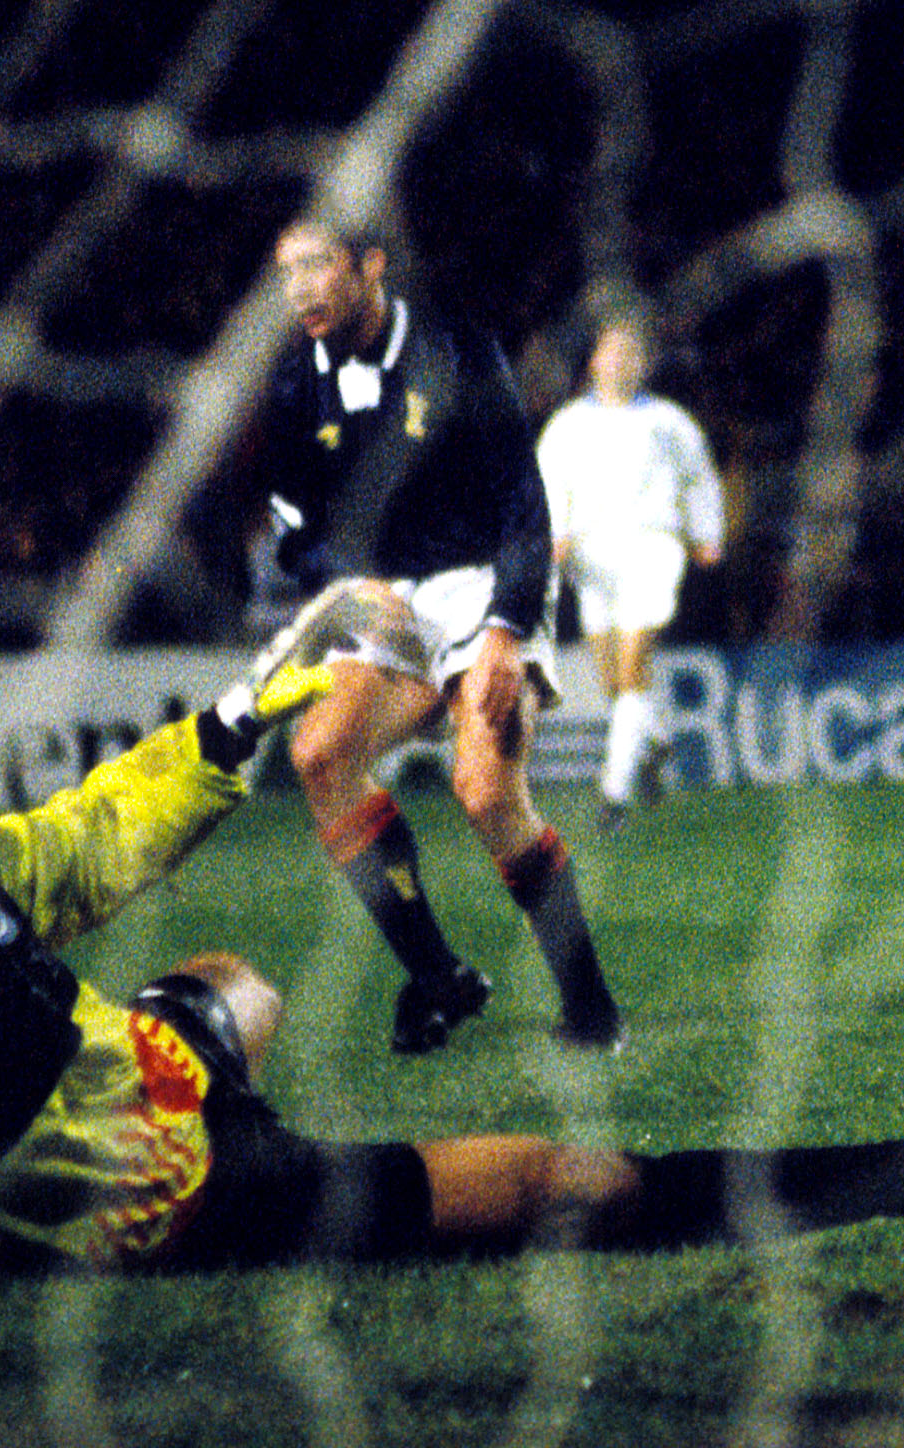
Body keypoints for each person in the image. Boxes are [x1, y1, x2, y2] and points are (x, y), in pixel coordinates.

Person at [0, 654, 904, 1294]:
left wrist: (226, 726)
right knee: (571, 1181)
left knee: (231, 979)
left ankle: (190, 1052)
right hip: (200, 1193)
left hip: (164, 1079)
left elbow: (85, 838)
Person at [252, 217, 622, 1055]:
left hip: (485, 579)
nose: (300, 290)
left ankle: (591, 1007)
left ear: (371, 265)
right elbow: (292, 529)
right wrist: (345, 577)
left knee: (486, 790)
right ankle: (438, 975)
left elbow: (527, 506)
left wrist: (506, 630)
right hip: (386, 597)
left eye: (317, 266)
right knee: (320, 755)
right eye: (286, 274)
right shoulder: (289, 385)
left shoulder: (458, 352)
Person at [534, 315, 726, 831]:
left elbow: (700, 477)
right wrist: (555, 533)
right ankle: (655, 741)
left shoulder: (669, 422)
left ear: (643, 365)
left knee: (632, 667)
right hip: (592, 559)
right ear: (595, 361)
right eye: (611, 351)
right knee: (614, 683)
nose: (620, 361)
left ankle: (613, 796)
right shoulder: (569, 424)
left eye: (631, 353)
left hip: (652, 548)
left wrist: (708, 533)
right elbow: (550, 484)